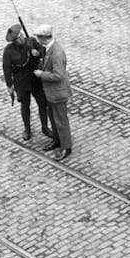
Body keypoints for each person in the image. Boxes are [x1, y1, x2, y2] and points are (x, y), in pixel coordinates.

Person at [2, 23, 51, 141]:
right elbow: (7, 68)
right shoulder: (8, 51)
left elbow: (43, 51)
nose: (21, 39)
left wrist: (37, 53)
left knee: (42, 103)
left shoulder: (31, 41)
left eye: (21, 35)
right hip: (21, 81)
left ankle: (45, 127)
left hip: (35, 77)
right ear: (14, 41)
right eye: (18, 38)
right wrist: (9, 85)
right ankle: (27, 129)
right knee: (25, 106)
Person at [33, 24, 73, 161]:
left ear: (43, 38)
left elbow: (58, 75)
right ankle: (57, 141)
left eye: (38, 38)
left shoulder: (56, 53)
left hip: (58, 93)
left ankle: (66, 147)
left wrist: (41, 74)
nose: (37, 40)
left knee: (61, 120)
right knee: (54, 119)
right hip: (51, 93)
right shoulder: (49, 49)